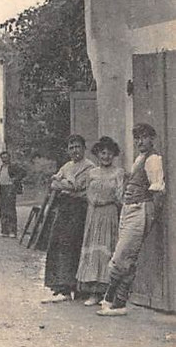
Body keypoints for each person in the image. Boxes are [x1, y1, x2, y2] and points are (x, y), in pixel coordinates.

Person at [98, 124, 165, 316]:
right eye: (136, 138)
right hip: (129, 210)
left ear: (152, 138)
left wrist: (150, 217)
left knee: (121, 257)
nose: (139, 141)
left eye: (143, 137)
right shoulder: (139, 159)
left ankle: (110, 298)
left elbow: (157, 190)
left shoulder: (153, 159)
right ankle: (119, 303)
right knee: (127, 257)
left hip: (140, 209)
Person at [42, 134, 94, 303]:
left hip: (79, 209)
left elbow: (79, 187)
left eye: (77, 147)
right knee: (60, 245)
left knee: (75, 245)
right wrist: (66, 184)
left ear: (84, 148)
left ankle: (79, 288)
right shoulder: (66, 166)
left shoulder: (89, 167)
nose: (74, 151)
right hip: (64, 209)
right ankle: (63, 287)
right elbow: (53, 183)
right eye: (71, 148)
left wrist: (64, 184)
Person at [76, 137, 124, 305]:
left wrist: (108, 201)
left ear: (114, 155)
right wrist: (93, 200)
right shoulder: (92, 173)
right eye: (103, 153)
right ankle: (93, 293)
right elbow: (87, 192)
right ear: (97, 154)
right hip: (93, 214)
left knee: (107, 249)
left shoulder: (118, 173)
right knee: (94, 250)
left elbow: (120, 196)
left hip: (109, 213)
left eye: (110, 153)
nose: (106, 156)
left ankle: (106, 293)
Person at [0, 150, 26, 238]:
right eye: (2, 158)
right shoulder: (2, 166)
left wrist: (15, 179)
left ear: (9, 158)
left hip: (10, 188)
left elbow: (23, 172)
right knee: (2, 210)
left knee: (10, 209)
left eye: (6, 157)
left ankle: (13, 231)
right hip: (2, 188)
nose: (4, 159)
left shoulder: (13, 166)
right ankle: (4, 231)